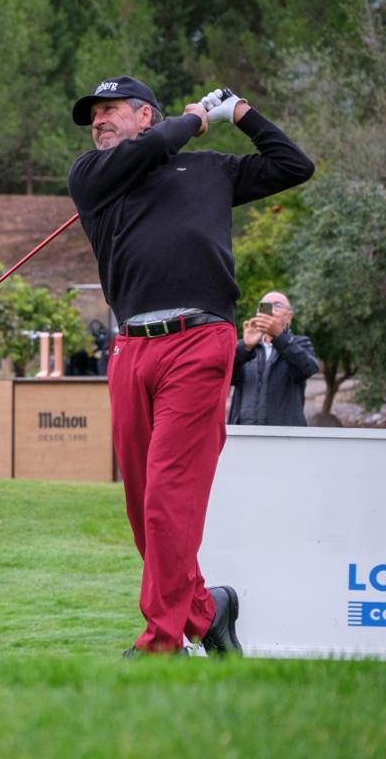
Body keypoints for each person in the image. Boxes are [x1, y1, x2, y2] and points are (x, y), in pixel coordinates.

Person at [67, 77, 314, 656]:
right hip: (131, 350)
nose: (98, 121)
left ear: (145, 115)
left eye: (111, 111)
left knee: (167, 497)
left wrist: (242, 113)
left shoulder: (209, 171)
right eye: (93, 115)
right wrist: (194, 121)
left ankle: (161, 641)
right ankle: (209, 609)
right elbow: (149, 151)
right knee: (140, 508)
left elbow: (292, 166)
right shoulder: (91, 178)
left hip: (199, 341)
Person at [229, 291, 318, 426]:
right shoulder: (246, 347)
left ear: (289, 317)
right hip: (245, 432)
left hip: (284, 435)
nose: (270, 310)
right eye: (265, 306)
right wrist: (244, 347)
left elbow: (308, 369)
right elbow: (225, 376)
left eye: (277, 306)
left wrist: (279, 336)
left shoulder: (300, 343)